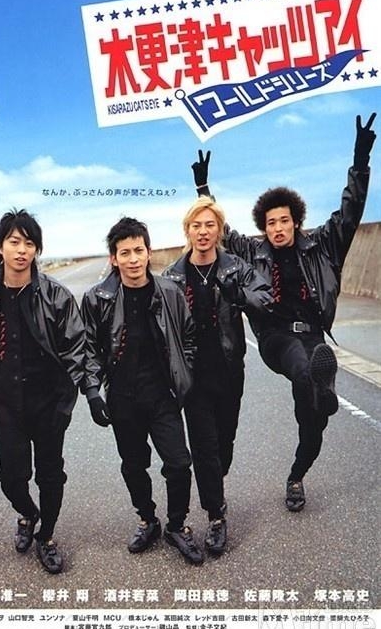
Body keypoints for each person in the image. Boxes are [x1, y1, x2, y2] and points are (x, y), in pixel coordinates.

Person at [192, 113, 376, 511]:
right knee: (301, 364)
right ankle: (319, 383)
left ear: (296, 222)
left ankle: (297, 474)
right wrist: (203, 189)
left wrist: (360, 162)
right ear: (264, 225)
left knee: (312, 422)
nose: (278, 228)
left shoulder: (323, 246)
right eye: (270, 222)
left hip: (312, 336)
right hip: (275, 337)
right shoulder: (252, 252)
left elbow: (349, 214)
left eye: (284, 221)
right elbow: (220, 231)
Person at [81, 217, 203, 564]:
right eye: (125, 252)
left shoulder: (170, 292)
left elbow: (189, 336)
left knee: (179, 463)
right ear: (113, 258)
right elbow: (88, 348)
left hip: (163, 395)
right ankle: (147, 519)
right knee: (133, 465)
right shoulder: (97, 298)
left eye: (139, 250)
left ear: (149, 252)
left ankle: (177, 525)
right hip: (122, 398)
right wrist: (93, 391)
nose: (133, 259)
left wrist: (184, 376)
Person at [0, 209, 85, 574]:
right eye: (14, 242)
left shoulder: (55, 295)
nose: (21, 250)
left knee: (50, 475)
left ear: (37, 249)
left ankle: (46, 536)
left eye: (29, 243)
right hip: (8, 405)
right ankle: (27, 513)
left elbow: (76, 348)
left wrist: (76, 396)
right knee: (11, 478)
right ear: (0, 248)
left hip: (49, 402)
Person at [163, 196, 273, 554]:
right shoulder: (173, 276)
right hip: (192, 376)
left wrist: (237, 294)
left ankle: (215, 480)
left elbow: (265, 298)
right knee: (204, 447)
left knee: (224, 443)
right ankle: (216, 515)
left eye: (209, 225)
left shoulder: (235, 267)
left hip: (228, 369)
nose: (203, 231)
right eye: (196, 225)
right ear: (187, 230)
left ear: (219, 229)